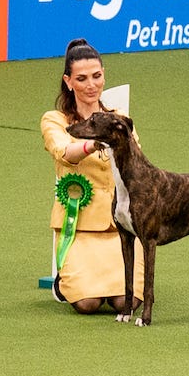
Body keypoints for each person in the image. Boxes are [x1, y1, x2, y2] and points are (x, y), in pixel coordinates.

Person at [40, 41, 129, 314]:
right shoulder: (54, 120)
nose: (91, 85)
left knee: (125, 303)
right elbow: (64, 152)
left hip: (119, 228)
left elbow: (135, 166)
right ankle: (63, 281)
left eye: (96, 76)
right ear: (68, 82)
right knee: (87, 304)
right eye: (81, 78)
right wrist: (94, 143)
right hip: (77, 225)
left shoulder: (120, 119)